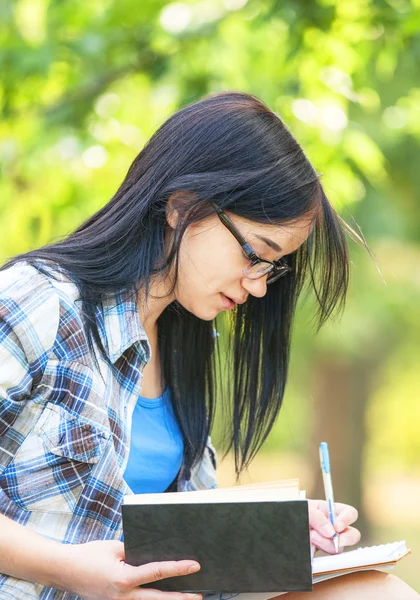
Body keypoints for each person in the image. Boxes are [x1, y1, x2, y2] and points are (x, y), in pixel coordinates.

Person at [0, 91, 418, 600]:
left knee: (375, 590)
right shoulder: (38, 302)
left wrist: (271, 531)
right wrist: (69, 569)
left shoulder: (182, 337)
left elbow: (172, 534)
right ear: (182, 207)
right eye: (254, 253)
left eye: (272, 266)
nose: (260, 285)